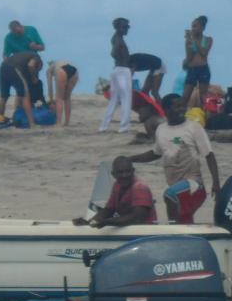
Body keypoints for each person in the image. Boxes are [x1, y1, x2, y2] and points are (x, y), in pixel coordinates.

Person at [130, 94, 221, 224]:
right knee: (184, 221)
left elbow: (209, 155)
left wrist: (216, 183)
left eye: (183, 106)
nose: (181, 109)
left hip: (194, 186)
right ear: (166, 110)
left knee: (169, 195)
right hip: (176, 186)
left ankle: (173, 231)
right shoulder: (161, 129)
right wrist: (131, 159)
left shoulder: (194, 127)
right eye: (177, 106)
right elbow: (155, 153)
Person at [72, 156, 157, 227]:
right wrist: (90, 222)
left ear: (133, 171)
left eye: (127, 171)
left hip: (144, 232)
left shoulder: (140, 188)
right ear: (113, 174)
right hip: (130, 230)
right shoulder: (117, 185)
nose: (124, 175)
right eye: (120, 172)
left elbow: (137, 217)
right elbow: (109, 210)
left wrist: (108, 222)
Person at [99, 18, 133, 133]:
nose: (127, 29)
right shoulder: (118, 39)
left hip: (117, 70)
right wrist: (121, 59)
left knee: (114, 99)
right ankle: (124, 127)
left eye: (127, 27)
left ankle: (104, 126)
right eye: (125, 27)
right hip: (122, 70)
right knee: (126, 98)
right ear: (119, 27)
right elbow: (113, 53)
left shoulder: (116, 38)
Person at [0, 50, 41, 127]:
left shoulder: (23, 55)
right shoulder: (37, 57)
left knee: (3, 97)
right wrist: (34, 76)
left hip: (2, 67)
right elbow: (31, 65)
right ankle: (32, 123)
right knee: (25, 94)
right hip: (13, 68)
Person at [181, 15, 213, 112]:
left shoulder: (208, 39)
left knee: (203, 97)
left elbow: (204, 53)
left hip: (203, 68)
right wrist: (189, 41)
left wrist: (194, 41)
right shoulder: (189, 40)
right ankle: (181, 116)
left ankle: (207, 117)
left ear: (202, 28)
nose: (193, 29)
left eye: (195, 26)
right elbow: (189, 57)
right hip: (192, 69)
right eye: (192, 26)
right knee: (185, 96)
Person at [45, 59, 79, 127]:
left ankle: (59, 122)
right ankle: (67, 122)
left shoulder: (49, 70)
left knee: (59, 98)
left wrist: (51, 100)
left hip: (61, 70)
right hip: (74, 71)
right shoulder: (60, 62)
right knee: (67, 98)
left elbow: (50, 87)